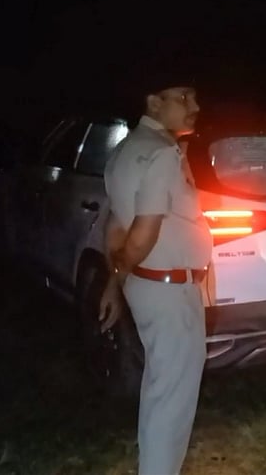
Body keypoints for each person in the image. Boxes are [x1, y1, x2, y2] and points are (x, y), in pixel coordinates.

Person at [100, 75, 210, 474]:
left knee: (160, 388)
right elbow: (143, 231)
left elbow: (114, 226)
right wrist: (123, 270)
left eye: (194, 96)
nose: (194, 105)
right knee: (173, 400)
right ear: (153, 102)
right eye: (184, 96)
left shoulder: (124, 152)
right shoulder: (162, 154)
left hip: (145, 285)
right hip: (169, 291)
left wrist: (115, 282)